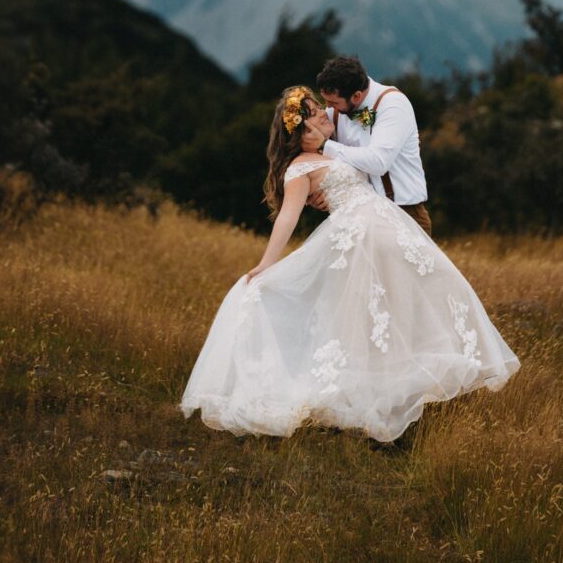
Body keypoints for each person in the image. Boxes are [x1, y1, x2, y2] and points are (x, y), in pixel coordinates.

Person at [178, 85, 521, 443]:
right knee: (371, 320)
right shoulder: (299, 169)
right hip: (359, 240)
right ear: (303, 128)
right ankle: (383, 405)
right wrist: (266, 264)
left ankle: (419, 387)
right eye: (315, 112)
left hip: (388, 228)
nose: (325, 114)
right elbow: (287, 218)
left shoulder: (336, 147)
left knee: (430, 291)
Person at [301, 55, 432, 235]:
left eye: (333, 102)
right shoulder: (334, 112)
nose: (328, 107)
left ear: (356, 96)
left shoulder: (393, 104)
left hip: (404, 214)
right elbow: (306, 154)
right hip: (356, 218)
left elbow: (378, 162)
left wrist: (325, 146)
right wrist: (312, 195)